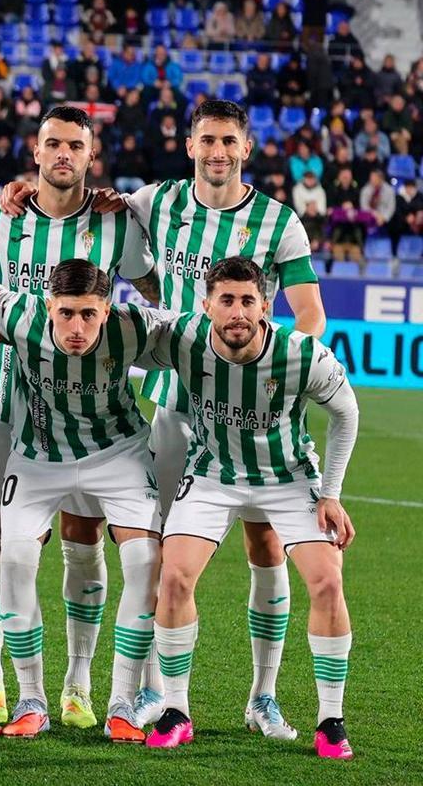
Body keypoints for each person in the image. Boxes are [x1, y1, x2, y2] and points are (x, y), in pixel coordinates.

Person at [0, 99, 327, 737]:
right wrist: (20, 190)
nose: (217, 152)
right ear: (189, 144)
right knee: (165, 553)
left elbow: (309, 316)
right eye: (207, 140)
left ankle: (262, 697)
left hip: (248, 408)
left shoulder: (280, 222)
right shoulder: (154, 202)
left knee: (265, 546)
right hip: (175, 404)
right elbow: (75, 202)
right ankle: (147, 690)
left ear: (246, 147)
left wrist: (266, 370)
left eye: (229, 140)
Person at [0, 105, 160, 731]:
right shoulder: (2, 219)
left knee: (83, 542)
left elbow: (158, 294)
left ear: (90, 153)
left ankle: (79, 684)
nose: (63, 155)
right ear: (36, 148)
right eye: (53, 144)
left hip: (96, 409)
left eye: (75, 146)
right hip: (14, 409)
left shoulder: (117, 223)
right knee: (0, 545)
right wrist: (19, 336)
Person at [142, 257, 358, 761]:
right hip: (214, 475)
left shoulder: (301, 353)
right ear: (206, 305)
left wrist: (330, 492)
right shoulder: (183, 338)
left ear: (265, 305)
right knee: (173, 578)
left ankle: (330, 720)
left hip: (289, 479)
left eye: (247, 301)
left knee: (327, 580)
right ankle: (176, 710)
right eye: (226, 300)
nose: (237, 312)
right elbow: (121, 335)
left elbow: (346, 412)